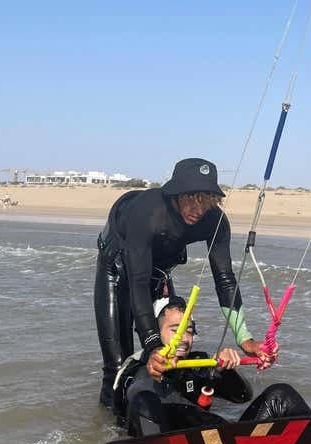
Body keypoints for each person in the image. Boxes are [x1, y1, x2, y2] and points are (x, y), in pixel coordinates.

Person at [94, 158, 270, 407]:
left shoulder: (214, 221)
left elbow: (225, 279)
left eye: (206, 201)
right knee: (118, 366)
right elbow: (138, 281)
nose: (198, 209)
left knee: (172, 351)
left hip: (158, 271)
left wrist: (245, 339)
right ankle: (112, 428)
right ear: (175, 194)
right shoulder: (148, 213)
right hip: (119, 271)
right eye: (191, 199)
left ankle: (171, 414)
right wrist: (153, 344)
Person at [114, 296, 311, 437]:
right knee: (144, 399)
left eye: (189, 331)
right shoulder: (139, 366)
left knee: (281, 395)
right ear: (156, 333)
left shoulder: (198, 362)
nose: (184, 338)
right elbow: (133, 401)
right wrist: (159, 370)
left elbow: (242, 396)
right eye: (176, 330)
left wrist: (224, 371)